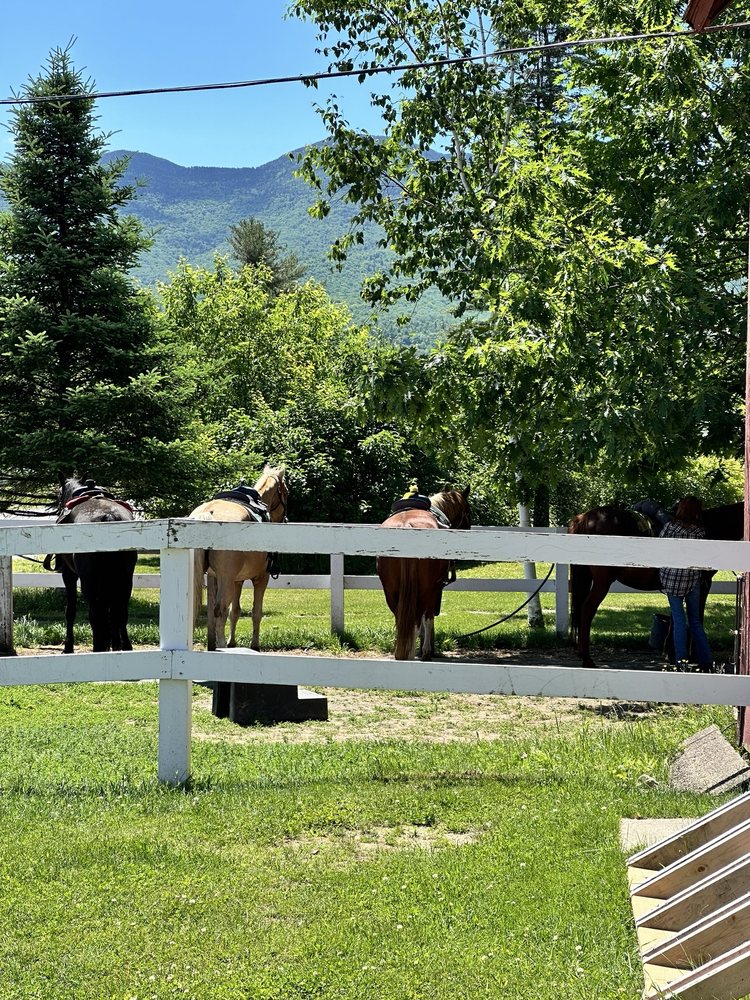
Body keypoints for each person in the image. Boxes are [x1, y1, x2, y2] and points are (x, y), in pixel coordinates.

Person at [659, 496, 713, 671]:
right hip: (692, 578)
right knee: (695, 621)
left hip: (672, 578)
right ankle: (706, 661)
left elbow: (659, 548)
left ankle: (681, 661)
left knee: (679, 620)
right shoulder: (700, 531)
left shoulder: (670, 527)